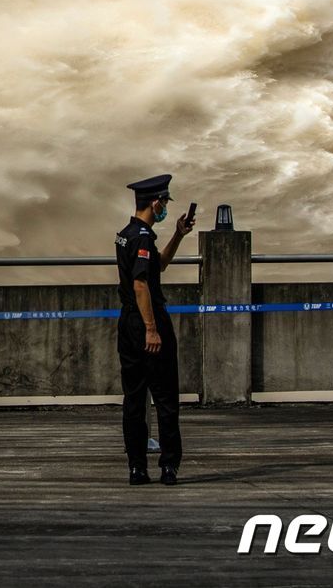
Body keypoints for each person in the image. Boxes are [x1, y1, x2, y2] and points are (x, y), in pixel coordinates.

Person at [114, 174, 194, 485]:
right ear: (156, 202)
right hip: (148, 321)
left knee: (134, 399)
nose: (164, 209)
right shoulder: (143, 237)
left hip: (127, 324)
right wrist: (151, 328)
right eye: (164, 204)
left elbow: (157, 266)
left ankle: (136, 467)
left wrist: (178, 235)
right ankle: (169, 467)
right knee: (165, 399)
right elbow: (140, 284)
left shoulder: (126, 233)